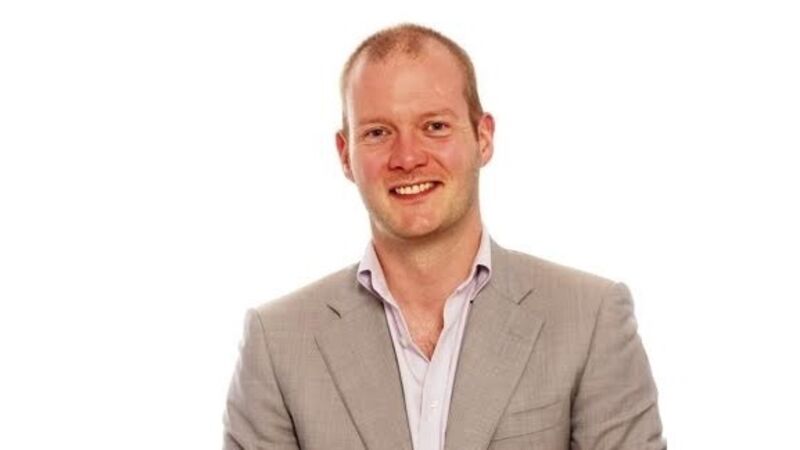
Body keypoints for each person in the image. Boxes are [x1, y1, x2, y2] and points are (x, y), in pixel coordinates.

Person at [223, 23, 665, 450]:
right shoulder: (278, 344)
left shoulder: (589, 319)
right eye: (378, 133)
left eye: (434, 126)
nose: (408, 157)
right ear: (345, 155)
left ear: (483, 137)